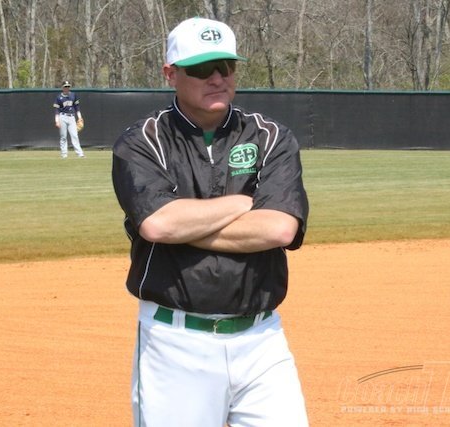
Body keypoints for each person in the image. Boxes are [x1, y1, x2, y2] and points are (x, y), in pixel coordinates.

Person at [112, 17, 309, 426]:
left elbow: (279, 228)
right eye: (202, 68)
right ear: (171, 74)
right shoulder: (143, 141)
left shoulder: (270, 136)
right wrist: (243, 202)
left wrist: (187, 224)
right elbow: (159, 225)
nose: (217, 77)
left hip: (262, 341)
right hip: (175, 343)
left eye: (226, 65)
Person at [53, 80, 85, 158]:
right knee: (63, 136)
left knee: (74, 135)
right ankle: (64, 154)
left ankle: (80, 154)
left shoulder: (73, 95)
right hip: (62, 117)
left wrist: (80, 117)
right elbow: (57, 110)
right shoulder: (59, 97)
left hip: (71, 117)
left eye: (68, 86)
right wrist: (57, 121)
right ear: (62, 88)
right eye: (65, 86)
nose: (67, 88)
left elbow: (77, 107)